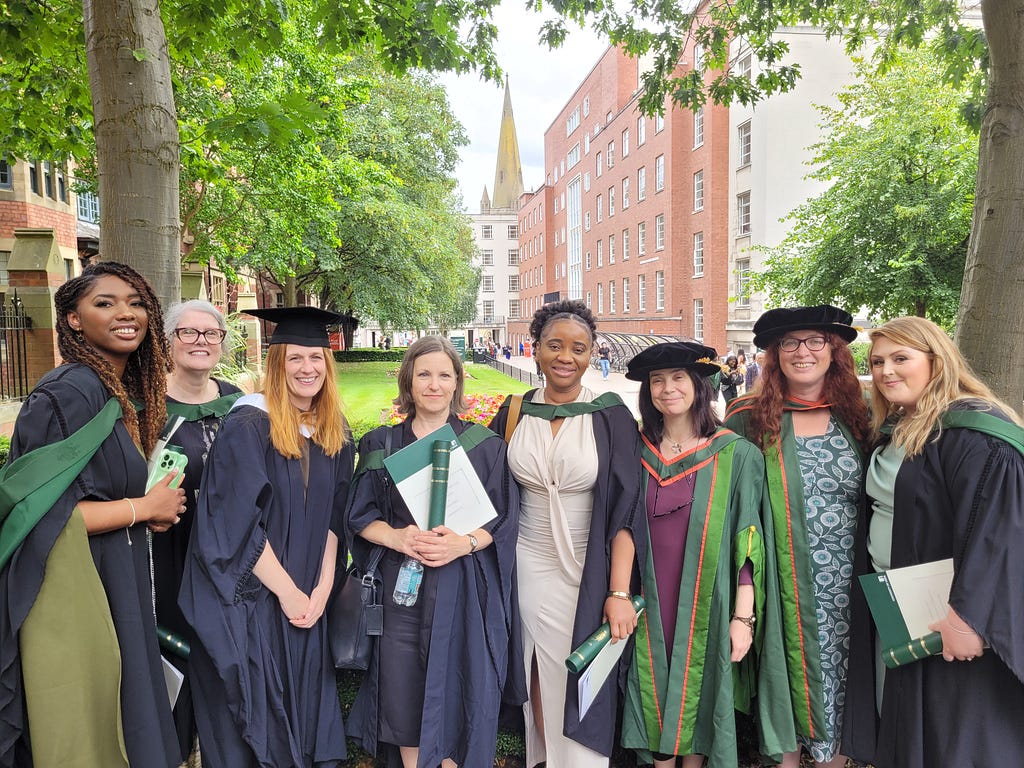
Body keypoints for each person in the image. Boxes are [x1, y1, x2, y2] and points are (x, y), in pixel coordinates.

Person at [0, 261, 183, 767]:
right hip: (72, 590)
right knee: (88, 723)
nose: (126, 313)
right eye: (105, 303)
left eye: (136, 302)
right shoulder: (68, 393)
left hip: (110, 576)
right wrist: (143, 507)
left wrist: (147, 513)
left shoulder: (113, 391)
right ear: (73, 320)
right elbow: (41, 517)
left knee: (126, 715)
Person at [841, 316, 1024, 768]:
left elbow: (1000, 534)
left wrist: (967, 618)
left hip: (952, 617)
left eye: (901, 358)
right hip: (899, 607)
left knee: (954, 734)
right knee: (908, 727)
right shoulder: (902, 427)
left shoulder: (975, 433)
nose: (886, 371)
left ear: (936, 361)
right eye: (878, 361)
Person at [179, 306, 353, 768]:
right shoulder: (248, 426)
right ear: (277, 364)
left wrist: (321, 589)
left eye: (316, 358)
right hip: (257, 601)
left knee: (306, 723)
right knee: (259, 731)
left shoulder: (336, 432)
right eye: (295, 358)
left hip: (308, 602)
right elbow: (234, 526)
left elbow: (337, 519)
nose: (307, 369)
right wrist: (290, 594)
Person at [345, 336, 519, 768]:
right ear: (408, 380)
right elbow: (359, 514)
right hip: (401, 588)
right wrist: (399, 538)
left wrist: (465, 543)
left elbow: (504, 519)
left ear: (457, 382)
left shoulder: (486, 446)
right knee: (402, 685)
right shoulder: (381, 444)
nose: (434, 384)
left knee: (462, 680)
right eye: (424, 374)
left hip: (464, 585)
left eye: (445, 374)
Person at [620, 342, 792, 768]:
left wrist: (743, 616)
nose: (666, 389)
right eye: (656, 381)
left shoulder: (735, 454)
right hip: (648, 600)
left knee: (700, 693)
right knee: (654, 689)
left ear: (699, 385)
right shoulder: (633, 451)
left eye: (678, 378)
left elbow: (747, 541)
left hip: (709, 601)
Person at [489, 299, 645, 767]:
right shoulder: (514, 411)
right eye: (554, 345)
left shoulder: (610, 415)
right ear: (534, 349)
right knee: (535, 670)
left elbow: (626, 509)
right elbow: (485, 483)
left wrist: (619, 590)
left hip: (588, 566)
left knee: (583, 679)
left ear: (592, 353)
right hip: (526, 562)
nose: (565, 356)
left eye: (578, 348)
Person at [724, 305, 870, 768]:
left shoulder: (860, 416)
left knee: (846, 682)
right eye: (790, 342)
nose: (802, 351)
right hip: (781, 581)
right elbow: (730, 506)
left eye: (814, 341)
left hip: (850, 584)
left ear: (834, 350)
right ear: (774, 354)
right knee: (783, 679)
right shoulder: (748, 418)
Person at [153, 299, 243, 759]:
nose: (201, 342)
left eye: (211, 334)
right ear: (168, 342)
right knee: (172, 666)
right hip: (166, 554)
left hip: (230, 561)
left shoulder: (240, 406)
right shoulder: (145, 408)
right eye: (188, 333)